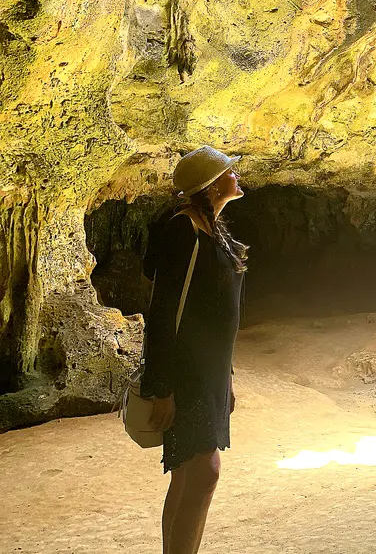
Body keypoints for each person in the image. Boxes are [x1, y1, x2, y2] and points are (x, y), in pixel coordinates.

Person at [141, 146, 248, 554]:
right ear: (211, 185)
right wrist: (161, 386)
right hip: (187, 373)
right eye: (227, 172)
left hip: (211, 372)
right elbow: (164, 312)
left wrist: (229, 378)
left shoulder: (213, 228)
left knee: (188, 476)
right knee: (205, 473)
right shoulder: (184, 231)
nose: (234, 175)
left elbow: (216, 316)